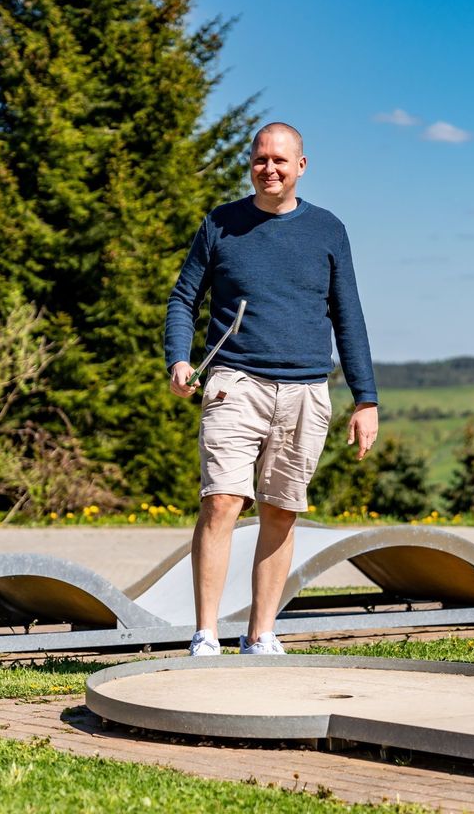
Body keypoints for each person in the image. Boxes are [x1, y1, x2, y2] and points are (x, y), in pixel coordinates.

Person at [165, 121, 379, 656]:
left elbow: (348, 316)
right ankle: (205, 635)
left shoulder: (328, 230)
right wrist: (178, 358)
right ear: (251, 163)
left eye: (281, 160)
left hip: (306, 388)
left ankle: (261, 634)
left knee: (281, 509)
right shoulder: (220, 224)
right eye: (261, 159)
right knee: (221, 501)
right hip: (233, 382)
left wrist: (366, 399)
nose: (270, 168)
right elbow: (183, 298)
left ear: (301, 166)